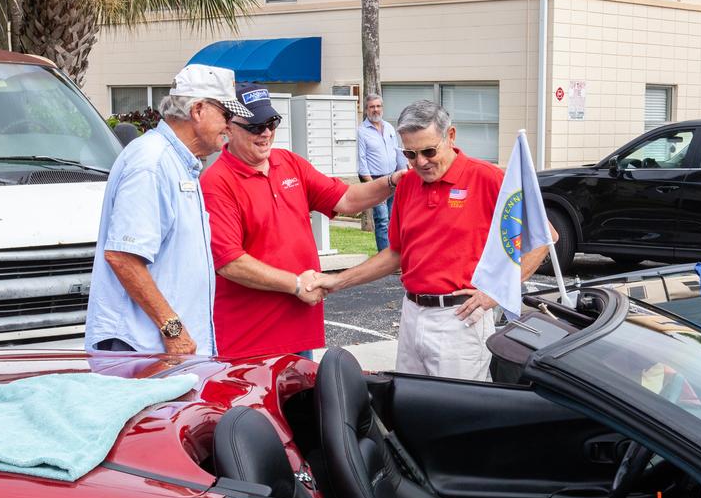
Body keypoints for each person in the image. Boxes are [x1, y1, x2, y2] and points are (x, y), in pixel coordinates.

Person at [311, 101, 550, 381]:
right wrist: (338, 281)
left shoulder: (487, 178)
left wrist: (497, 294)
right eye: (410, 154)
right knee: (413, 406)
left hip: (460, 318)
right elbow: (397, 254)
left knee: (458, 412)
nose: (420, 162)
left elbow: (543, 237)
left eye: (428, 151)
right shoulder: (408, 184)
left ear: (450, 136)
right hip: (412, 314)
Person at [200, 84, 408, 359]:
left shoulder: (288, 162)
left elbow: (346, 199)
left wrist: (394, 181)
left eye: (272, 122)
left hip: (298, 328)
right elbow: (230, 263)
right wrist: (296, 285)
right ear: (229, 126)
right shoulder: (216, 182)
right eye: (255, 126)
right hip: (250, 336)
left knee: (300, 400)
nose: (266, 133)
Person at [85, 64, 253, 355]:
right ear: (198, 110)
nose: (230, 126)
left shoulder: (176, 162)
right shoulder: (152, 162)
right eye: (226, 115)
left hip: (160, 350)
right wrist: (173, 329)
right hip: (143, 350)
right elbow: (122, 255)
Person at [356, 93, 406, 250]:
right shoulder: (361, 131)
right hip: (376, 180)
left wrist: (403, 174)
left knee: (393, 220)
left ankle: (393, 256)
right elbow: (361, 160)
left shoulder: (389, 127)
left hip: (394, 178)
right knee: (382, 220)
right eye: (372, 107)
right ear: (366, 109)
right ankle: (384, 258)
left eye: (378, 106)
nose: (375, 110)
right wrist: (373, 187)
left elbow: (398, 152)